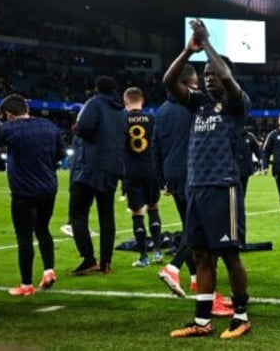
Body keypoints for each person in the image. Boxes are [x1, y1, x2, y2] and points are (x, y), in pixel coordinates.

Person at [164, 18, 252, 339]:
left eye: (214, 73)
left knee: (230, 255)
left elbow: (227, 76)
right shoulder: (198, 103)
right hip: (196, 187)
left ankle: (240, 317)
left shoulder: (237, 104)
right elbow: (168, 80)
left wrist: (209, 44)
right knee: (201, 255)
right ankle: (202, 322)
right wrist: (189, 50)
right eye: (206, 75)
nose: (210, 77)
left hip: (223, 186)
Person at [0, 94, 65, 296]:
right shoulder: (49, 126)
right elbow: (60, 156)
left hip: (24, 192)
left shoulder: (9, 128)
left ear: (9, 114)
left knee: (24, 237)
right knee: (43, 230)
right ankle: (49, 270)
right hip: (48, 188)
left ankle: (26, 284)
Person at [70, 76, 126, 275]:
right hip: (111, 167)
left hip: (90, 166)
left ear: (96, 88)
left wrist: (77, 129)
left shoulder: (94, 104)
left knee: (77, 213)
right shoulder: (121, 110)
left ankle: (88, 259)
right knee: (106, 216)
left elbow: (84, 129)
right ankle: (106, 263)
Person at [156, 64, 200, 298]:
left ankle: (194, 279)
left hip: (172, 174)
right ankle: (173, 267)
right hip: (194, 173)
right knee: (196, 227)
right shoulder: (193, 106)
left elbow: (156, 146)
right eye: (196, 82)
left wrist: (162, 178)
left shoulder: (162, 111)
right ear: (189, 83)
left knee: (188, 225)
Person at [122, 87, 164, 268]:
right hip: (151, 171)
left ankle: (143, 257)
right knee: (153, 208)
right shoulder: (153, 120)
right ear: (142, 101)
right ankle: (157, 253)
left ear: (125, 102)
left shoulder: (122, 120)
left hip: (131, 171)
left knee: (137, 213)